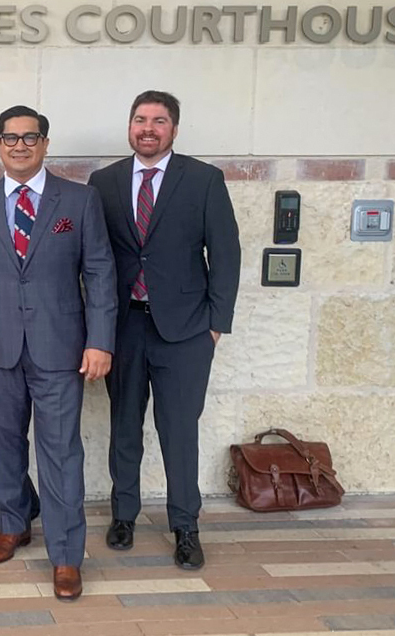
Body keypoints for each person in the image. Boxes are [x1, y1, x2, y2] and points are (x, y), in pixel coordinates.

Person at [0, 106, 116, 602]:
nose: (20, 146)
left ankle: (65, 555)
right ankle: (13, 523)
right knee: (4, 443)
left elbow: (101, 272)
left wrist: (100, 339)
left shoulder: (79, 201)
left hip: (60, 347)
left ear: (45, 143)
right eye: (10, 138)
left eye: (30, 137)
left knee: (60, 452)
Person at [87, 90, 240, 570]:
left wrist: (216, 326)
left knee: (178, 431)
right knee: (124, 428)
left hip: (186, 332)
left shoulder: (204, 180)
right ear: (129, 126)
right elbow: (94, 260)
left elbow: (226, 254)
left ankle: (185, 526)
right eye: (139, 119)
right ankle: (124, 514)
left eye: (158, 120)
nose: (147, 128)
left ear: (174, 128)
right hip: (124, 327)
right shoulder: (104, 182)